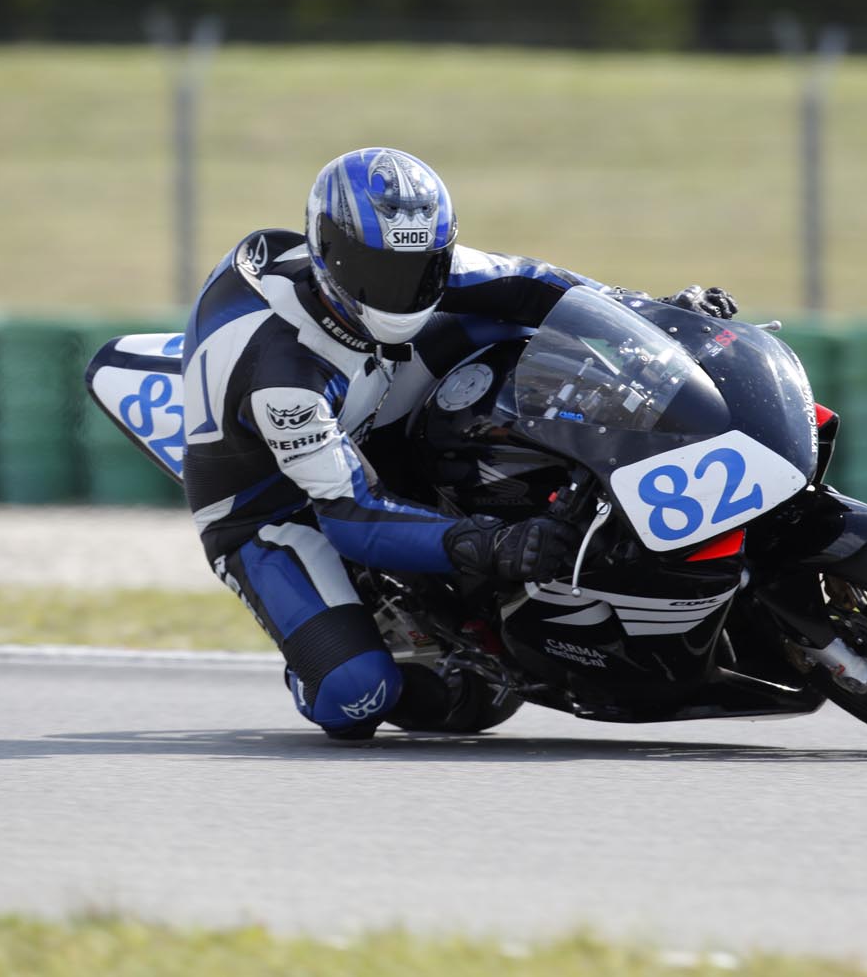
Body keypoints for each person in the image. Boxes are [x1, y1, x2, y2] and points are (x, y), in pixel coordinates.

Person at [180, 147, 738, 740]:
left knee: (517, 321)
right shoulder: (282, 378)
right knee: (354, 696)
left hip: (375, 395)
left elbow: (537, 285)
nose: (404, 292)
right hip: (277, 506)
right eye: (381, 274)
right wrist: (492, 546)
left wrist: (653, 313)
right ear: (330, 256)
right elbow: (349, 514)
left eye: (421, 269)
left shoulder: (417, 263)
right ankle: (346, 638)